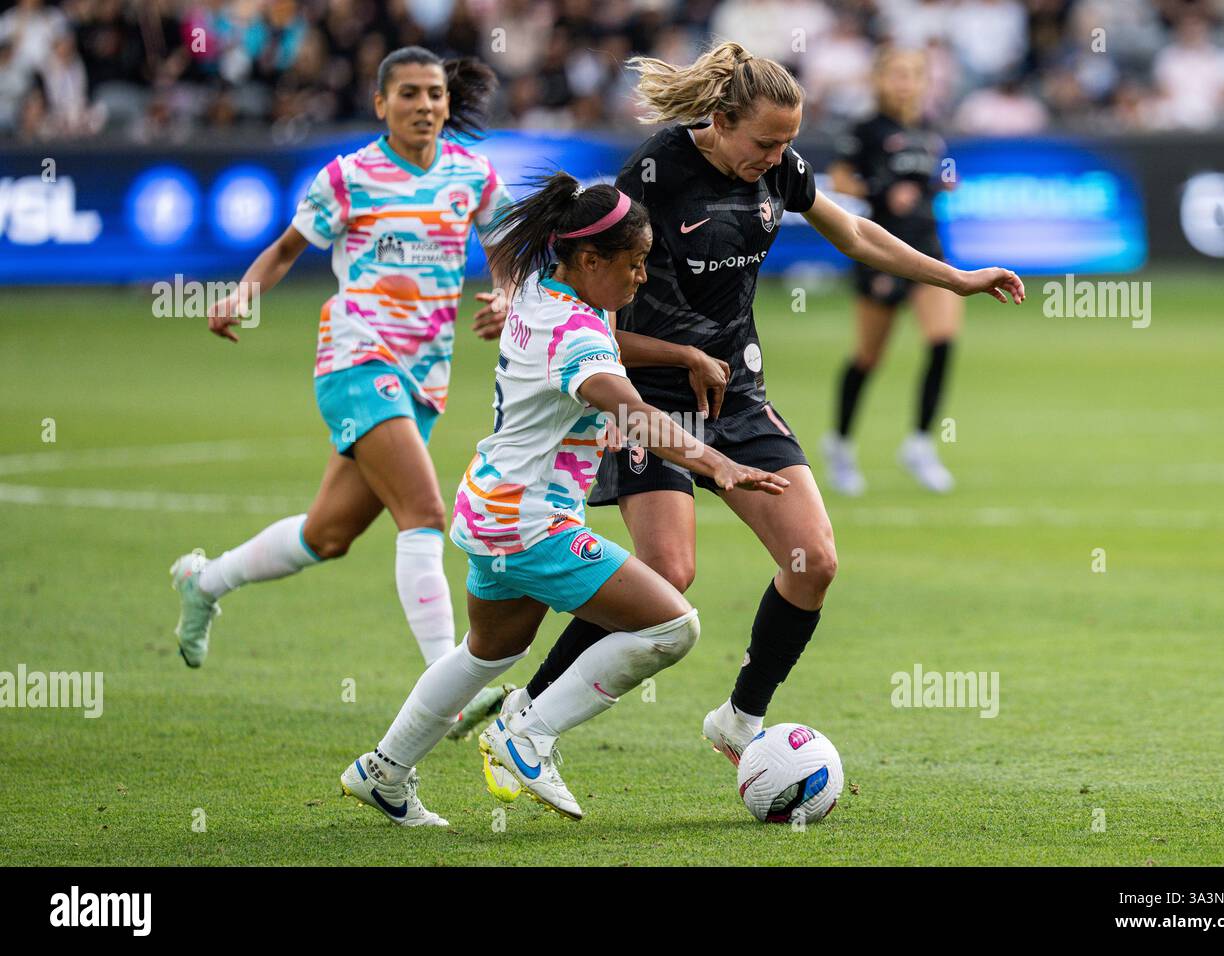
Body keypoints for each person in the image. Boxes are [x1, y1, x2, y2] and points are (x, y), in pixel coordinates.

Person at [503, 40, 1023, 772]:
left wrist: (955, 278)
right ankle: (530, 711)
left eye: (789, 142)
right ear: (719, 119)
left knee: (814, 562)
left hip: (736, 394)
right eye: (766, 141)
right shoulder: (654, 173)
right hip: (647, 396)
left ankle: (740, 718)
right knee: (665, 577)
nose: (778, 156)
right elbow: (593, 299)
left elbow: (856, 232)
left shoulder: (780, 164)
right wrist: (562, 314)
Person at [340, 174, 787, 824]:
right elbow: (632, 411)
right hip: (529, 522)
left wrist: (681, 352)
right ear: (588, 260)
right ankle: (528, 735)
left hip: (486, 506)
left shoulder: (535, 288)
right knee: (671, 627)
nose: (641, 279)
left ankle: (383, 770)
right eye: (633, 265)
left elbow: (606, 342)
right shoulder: (575, 335)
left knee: (485, 654)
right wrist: (720, 465)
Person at [169, 47, 516, 733]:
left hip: (424, 380)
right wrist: (241, 294)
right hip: (356, 359)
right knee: (424, 512)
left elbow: (506, 250)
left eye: (435, 94)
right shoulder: (349, 177)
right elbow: (286, 249)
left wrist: (506, 296)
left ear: (448, 103)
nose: (424, 105)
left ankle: (204, 582)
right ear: (380, 102)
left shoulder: (472, 176)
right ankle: (445, 689)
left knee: (326, 535)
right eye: (409, 94)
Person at [824, 47, 965, 496]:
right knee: (868, 357)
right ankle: (840, 445)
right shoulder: (866, 130)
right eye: (897, 74)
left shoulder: (926, 130)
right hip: (883, 252)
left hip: (929, 251)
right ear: (880, 79)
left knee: (942, 342)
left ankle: (921, 443)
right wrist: (881, 192)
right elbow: (841, 180)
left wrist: (943, 181)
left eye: (913, 75)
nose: (905, 83)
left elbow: (942, 172)